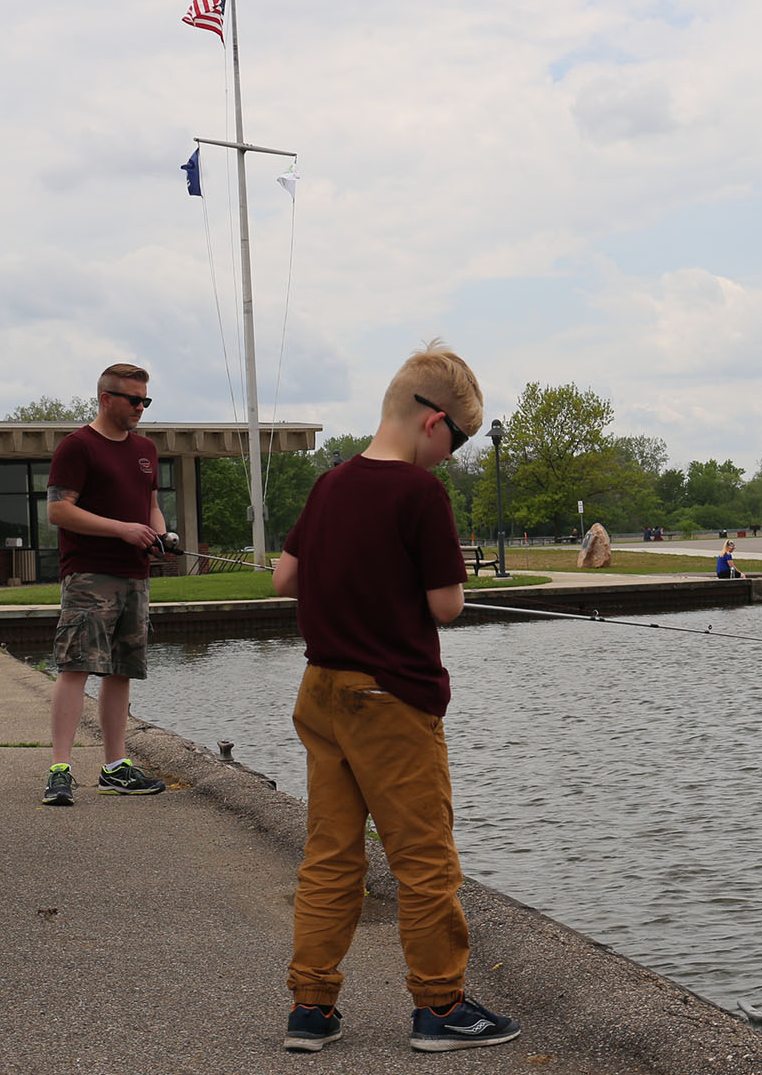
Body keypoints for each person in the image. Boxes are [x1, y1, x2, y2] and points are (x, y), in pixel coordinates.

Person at [272, 339, 520, 1055]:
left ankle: (311, 1008)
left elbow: (285, 581)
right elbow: (446, 605)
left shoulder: (329, 484)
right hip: (391, 701)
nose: (455, 455)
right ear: (433, 422)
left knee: (330, 855)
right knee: (425, 859)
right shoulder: (420, 494)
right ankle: (439, 1007)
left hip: (321, 693)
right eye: (460, 440)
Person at [41, 363, 168, 807]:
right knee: (75, 667)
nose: (141, 408)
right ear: (106, 398)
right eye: (135, 400)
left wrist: (158, 533)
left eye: (146, 400)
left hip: (136, 576)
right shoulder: (77, 447)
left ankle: (116, 768)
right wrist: (122, 530)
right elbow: (59, 512)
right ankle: (60, 770)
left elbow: (151, 506)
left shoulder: (146, 450)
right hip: (89, 575)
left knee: (121, 672)